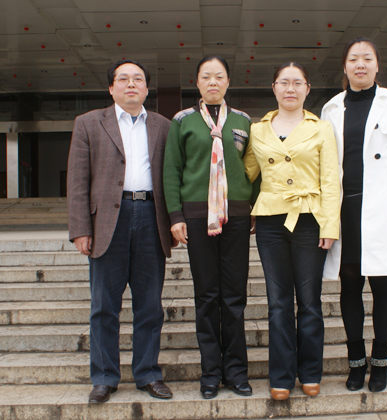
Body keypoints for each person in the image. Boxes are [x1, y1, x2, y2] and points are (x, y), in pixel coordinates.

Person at [67, 59, 175, 404]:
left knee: (150, 305)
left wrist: (174, 219)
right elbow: (77, 180)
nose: (131, 84)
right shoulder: (88, 123)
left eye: (138, 79)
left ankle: (148, 374)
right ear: (111, 88)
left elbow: (172, 176)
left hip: (150, 216)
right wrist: (80, 228)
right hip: (107, 221)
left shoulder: (163, 126)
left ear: (146, 88)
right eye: (123, 79)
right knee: (104, 305)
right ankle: (104, 377)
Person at [321, 37, 387, 393]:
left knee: (381, 283)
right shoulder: (331, 108)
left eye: (367, 58)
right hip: (345, 208)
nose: (360, 64)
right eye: (353, 59)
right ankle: (355, 361)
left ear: (377, 65)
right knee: (349, 284)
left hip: (382, 207)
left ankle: (380, 361)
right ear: (345, 67)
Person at [244, 62, 340, 400]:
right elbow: (246, 174)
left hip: (309, 219)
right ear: (273, 88)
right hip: (270, 221)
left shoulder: (322, 128)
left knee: (310, 301)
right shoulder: (258, 130)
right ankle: (281, 376)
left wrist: (330, 224)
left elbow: (331, 180)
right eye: (284, 82)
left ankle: (310, 372)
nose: (290, 88)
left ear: (307, 89)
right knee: (278, 303)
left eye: (297, 83)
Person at [163, 56, 253, 399]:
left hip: (236, 216)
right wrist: (176, 215)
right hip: (198, 216)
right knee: (207, 296)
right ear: (197, 82)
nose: (213, 82)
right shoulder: (182, 121)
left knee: (234, 295)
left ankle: (237, 371)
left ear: (228, 81)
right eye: (206, 77)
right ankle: (211, 373)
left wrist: (255, 206)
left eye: (219, 76)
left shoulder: (243, 121)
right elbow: (172, 169)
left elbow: (254, 168)